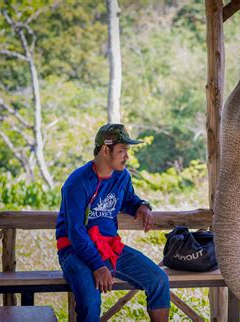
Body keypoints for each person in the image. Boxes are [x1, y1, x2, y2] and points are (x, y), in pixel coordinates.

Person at [55, 123, 170, 322]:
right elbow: (75, 232)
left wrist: (141, 205)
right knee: (91, 300)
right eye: (122, 150)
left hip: (110, 248)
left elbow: (128, 200)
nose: (127, 156)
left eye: (127, 151)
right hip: (76, 251)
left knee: (158, 280)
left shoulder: (122, 176)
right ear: (105, 150)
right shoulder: (77, 183)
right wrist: (98, 266)